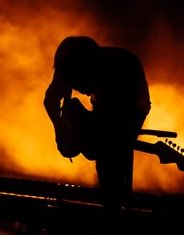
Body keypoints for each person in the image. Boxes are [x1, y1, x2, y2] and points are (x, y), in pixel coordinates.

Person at [44, 36, 151, 214]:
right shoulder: (70, 62)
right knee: (76, 112)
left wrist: (87, 139)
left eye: (80, 82)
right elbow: (51, 100)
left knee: (108, 160)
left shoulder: (119, 70)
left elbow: (111, 129)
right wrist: (59, 130)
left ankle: (113, 213)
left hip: (129, 110)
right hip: (104, 104)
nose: (79, 89)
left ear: (90, 68)